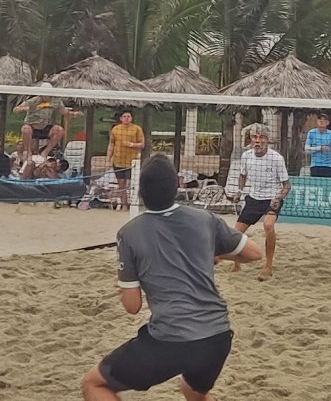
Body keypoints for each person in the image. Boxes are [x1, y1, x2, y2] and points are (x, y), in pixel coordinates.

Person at [80, 155, 263, 401]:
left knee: (94, 384)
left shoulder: (129, 233)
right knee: (192, 390)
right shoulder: (204, 220)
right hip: (217, 337)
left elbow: (132, 306)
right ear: (177, 186)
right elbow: (254, 253)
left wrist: (124, 283)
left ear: (141, 192)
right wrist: (216, 254)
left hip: (171, 340)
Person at [231, 124, 290, 281]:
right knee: (235, 233)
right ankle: (236, 263)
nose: (257, 141)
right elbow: (242, 175)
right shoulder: (246, 156)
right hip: (253, 198)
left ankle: (268, 266)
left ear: (267, 140)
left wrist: (279, 198)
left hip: (271, 199)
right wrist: (239, 191)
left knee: (268, 225)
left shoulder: (276, 158)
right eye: (254, 137)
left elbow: (287, 185)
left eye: (261, 138)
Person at [14, 82, 79, 164]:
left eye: (47, 94)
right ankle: (28, 152)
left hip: (46, 128)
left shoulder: (56, 102)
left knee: (60, 130)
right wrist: (22, 109)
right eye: (44, 94)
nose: (45, 96)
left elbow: (64, 112)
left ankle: (45, 152)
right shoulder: (34, 101)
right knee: (25, 129)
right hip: (32, 127)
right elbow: (16, 109)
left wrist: (73, 114)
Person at [107, 109, 146, 211]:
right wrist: (108, 159)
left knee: (130, 184)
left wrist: (131, 144)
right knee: (121, 185)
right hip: (118, 161)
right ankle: (124, 205)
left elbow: (142, 144)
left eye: (128, 116)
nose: (126, 118)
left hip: (132, 162)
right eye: (124, 117)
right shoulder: (115, 129)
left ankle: (133, 203)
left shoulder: (137, 129)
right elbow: (111, 144)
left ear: (131, 118)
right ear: (121, 118)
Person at [303, 113, 331, 178]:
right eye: (320, 119)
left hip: (328, 166)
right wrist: (319, 148)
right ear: (317, 121)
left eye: (324, 120)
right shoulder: (311, 133)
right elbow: (306, 149)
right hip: (315, 165)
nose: (322, 121)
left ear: (327, 123)